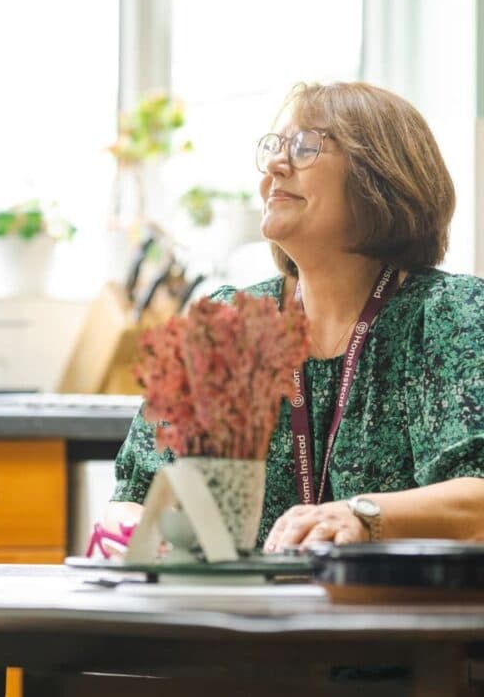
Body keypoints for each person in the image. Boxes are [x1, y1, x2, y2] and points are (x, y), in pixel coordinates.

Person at [108, 81, 484, 552]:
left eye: (306, 146)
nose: (275, 165)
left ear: (380, 176)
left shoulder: (449, 315)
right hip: (239, 618)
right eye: (274, 148)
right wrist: (133, 536)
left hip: (393, 616)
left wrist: (360, 516)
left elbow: (478, 500)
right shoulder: (229, 324)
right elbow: (136, 496)